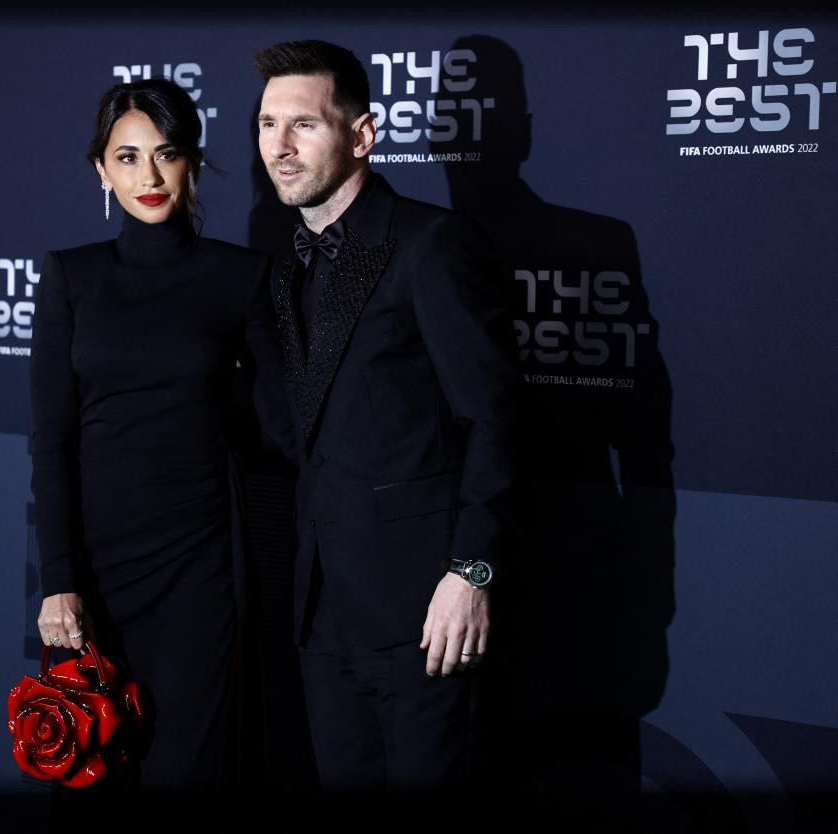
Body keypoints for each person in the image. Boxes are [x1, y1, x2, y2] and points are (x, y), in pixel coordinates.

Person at [252, 39, 520, 794]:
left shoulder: (431, 246)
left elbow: (495, 421)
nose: (279, 147)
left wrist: (471, 571)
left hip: (425, 616)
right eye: (268, 125)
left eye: (302, 125)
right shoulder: (282, 266)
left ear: (362, 134)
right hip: (322, 613)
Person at [29, 77, 292, 793]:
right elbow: (51, 439)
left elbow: (278, 427)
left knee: (188, 770)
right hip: (95, 569)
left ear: (193, 165)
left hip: (199, 565)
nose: (148, 176)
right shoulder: (72, 277)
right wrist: (59, 581)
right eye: (127, 157)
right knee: (95, 770)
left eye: (166, 154)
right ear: (101, 172)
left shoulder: (239, 277)